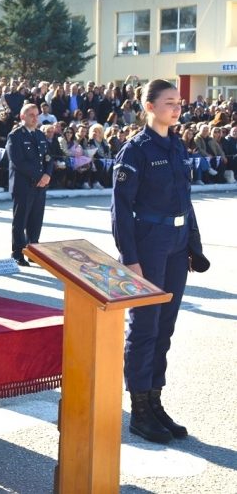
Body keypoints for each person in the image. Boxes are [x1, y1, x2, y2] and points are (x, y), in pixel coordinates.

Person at [112, 79, 207, 445]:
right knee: (144, 328)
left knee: (164, 328)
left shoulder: (178, 146)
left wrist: (193, 247)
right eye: (169, 102)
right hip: (149, 246)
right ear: (149, 107)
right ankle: (139, 410)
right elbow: (120, 208)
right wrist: (130, 259)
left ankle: (155, 401)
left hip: (176, 244)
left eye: (179, 102)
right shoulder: (135, 151)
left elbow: (186, 199)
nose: (177, 107)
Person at [6, 104, 53, 266]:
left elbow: (48, 157)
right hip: (23, 185)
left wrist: (47, 175)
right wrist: (39, 176)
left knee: (36, 219)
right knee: (21, 220)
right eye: (31, 114)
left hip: (40, 185)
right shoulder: (15, 136)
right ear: (22, 117)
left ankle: (33, 250)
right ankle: (17, 252)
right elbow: (18, 161)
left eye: (36, 115)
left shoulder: (40, 135)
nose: (35, 118)